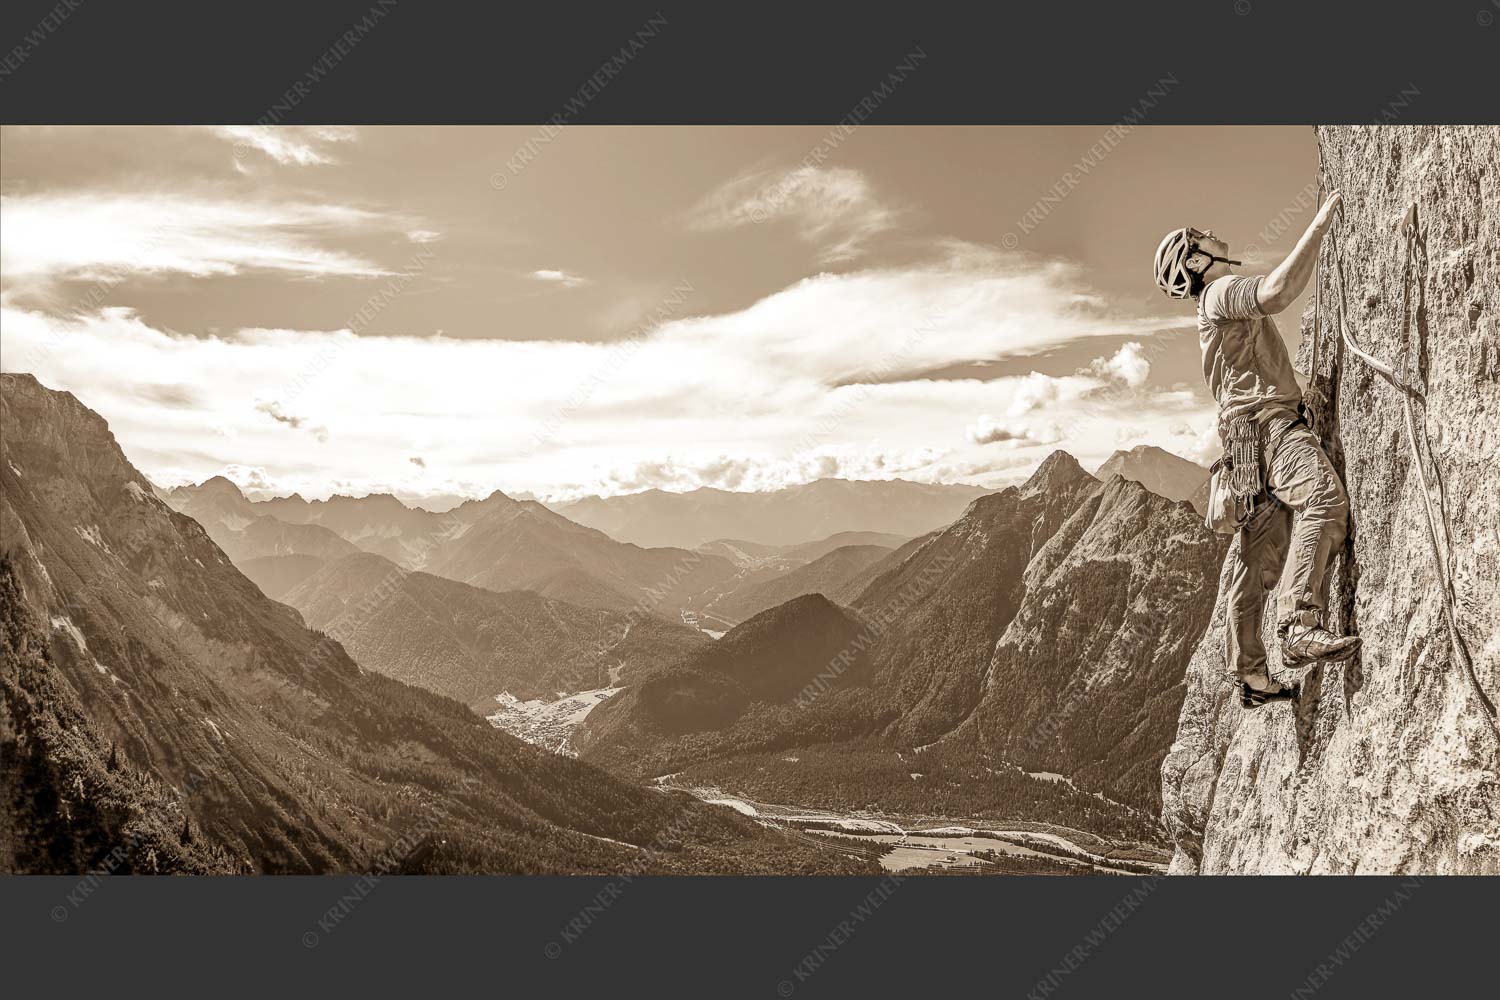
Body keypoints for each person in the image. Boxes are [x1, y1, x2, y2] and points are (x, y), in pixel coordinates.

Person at [1153, 192, 1359, 709]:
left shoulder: (1208, 309)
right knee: (1322, 502)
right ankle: (1298, 622)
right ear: (1197, 260)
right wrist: (1319, 226)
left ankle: (1249, 673)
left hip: (1244, 444)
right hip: (1270, 427)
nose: (1211, 232)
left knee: (1255, 555)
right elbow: (1276, 293)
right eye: (1200, 236)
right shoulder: (1220, 292)